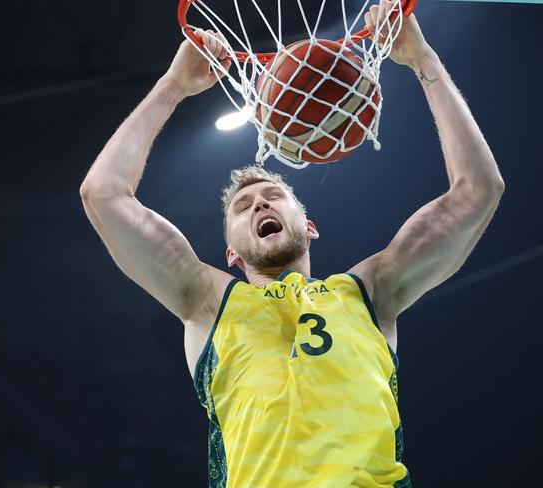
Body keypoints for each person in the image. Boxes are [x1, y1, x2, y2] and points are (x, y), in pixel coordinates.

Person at [79, 4, 504, 487]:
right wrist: (172, 87)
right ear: (232, 255)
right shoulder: (208, 302)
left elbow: (478, 189)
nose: (260, 206)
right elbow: (103, 194)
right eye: (243, 208)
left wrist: (423, 58)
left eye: (273, 196)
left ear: (310, 224)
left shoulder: (370, 292)